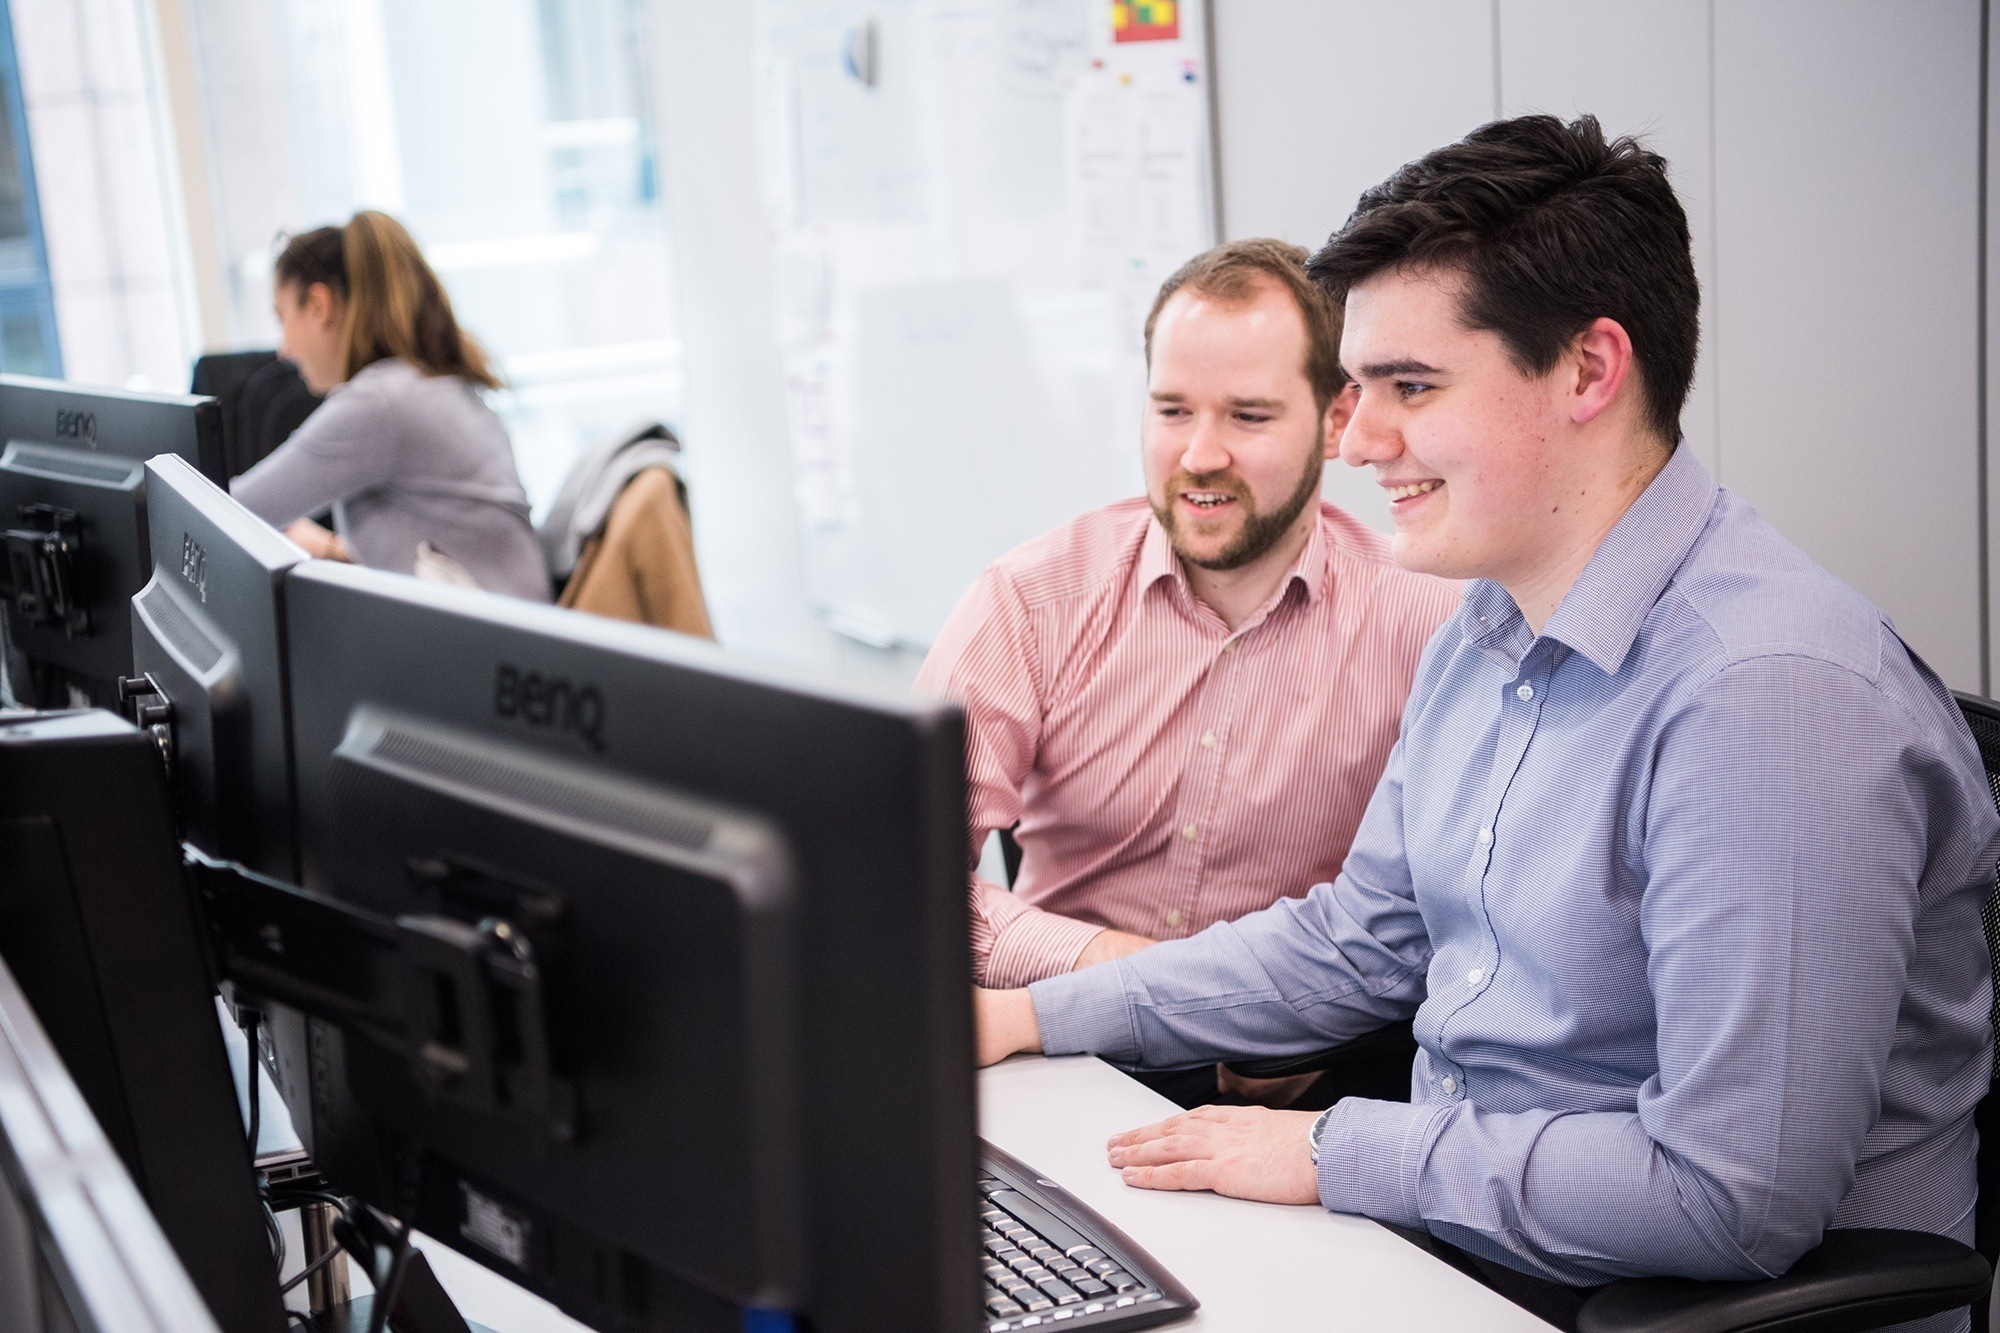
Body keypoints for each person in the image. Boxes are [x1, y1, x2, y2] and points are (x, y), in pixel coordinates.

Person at [976, 115, 1999, 1333]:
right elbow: (1350, 942)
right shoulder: (1487, 624)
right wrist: (1025, 1017)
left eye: (1409, 387)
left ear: (1586, 371)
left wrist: (1334, 1151)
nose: (1354, 441)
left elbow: (1730, 1198)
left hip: (1667, 1301)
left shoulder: (1766, 696)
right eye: (1356, 391)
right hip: (1467, 1248)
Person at [919, 238, 1458, 1012]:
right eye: (1173, 411)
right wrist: (1151, 982)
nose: (1200, 455)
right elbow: (899, 874)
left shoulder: (1432, 623)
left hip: (1303, 1067)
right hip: (1053, 1033)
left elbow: (1453, 919)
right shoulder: (1030, 602)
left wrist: (1294, 1015)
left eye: (1248, 416)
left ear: (1338, 420)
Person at [232, 212, 551, 602]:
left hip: (484, 645)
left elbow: (229, 514)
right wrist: (333, 549)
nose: (283, 350)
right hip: (513, 634)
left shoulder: (379, 403)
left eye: (282, 318)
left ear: (319, 305)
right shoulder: (430, 383)